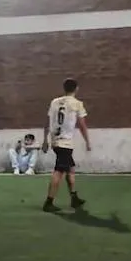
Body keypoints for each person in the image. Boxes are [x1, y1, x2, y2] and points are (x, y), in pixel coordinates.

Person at [43, 78, 91, 212]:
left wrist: (45, 140)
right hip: (65, 142)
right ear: (76, 89)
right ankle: (49, 202)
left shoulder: (54, 102)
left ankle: (74, 197)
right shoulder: (77, 104)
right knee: (59, 171)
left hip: (55, 140)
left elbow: (48, 122)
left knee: (70, 169)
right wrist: (87, 141)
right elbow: (82, 125)